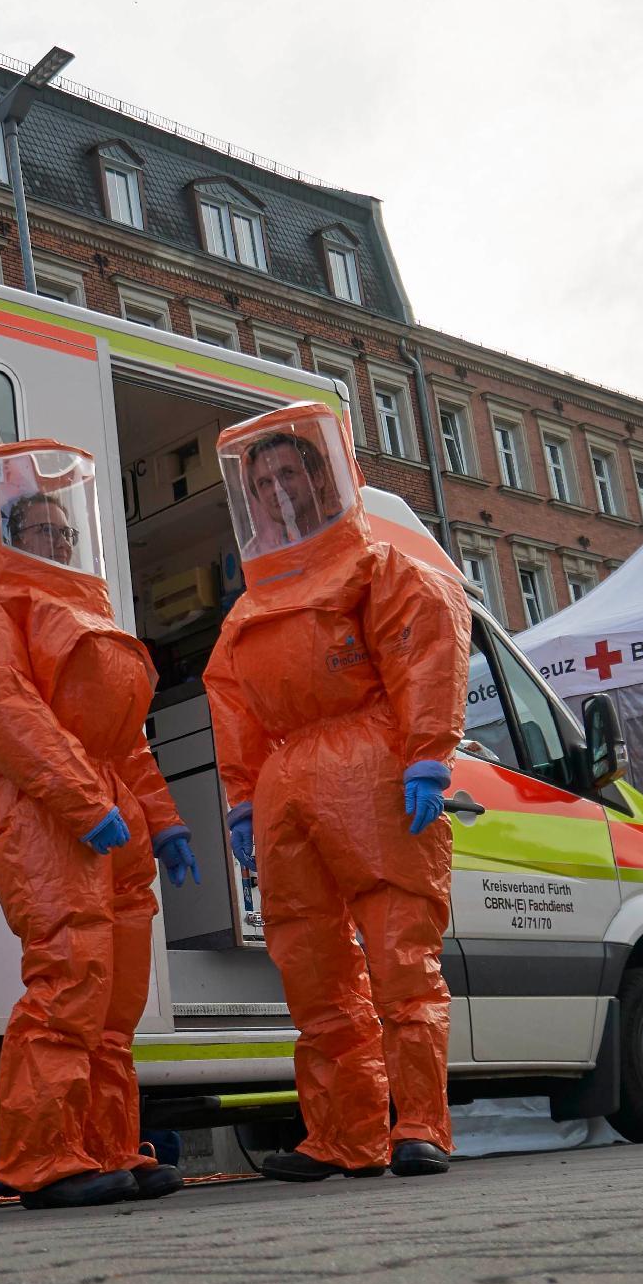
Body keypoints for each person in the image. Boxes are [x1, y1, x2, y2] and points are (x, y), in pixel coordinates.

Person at [0, 441, 202, 1210]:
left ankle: (105, 1148)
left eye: (65, 529)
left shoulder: (79, 613)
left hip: (105, 817)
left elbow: (123, 739)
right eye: (41, 529)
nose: (59, 540)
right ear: (2, 535)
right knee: (68, 981)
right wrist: (86, 803)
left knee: (113, 1003)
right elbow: (14, 723)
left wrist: (161, 823)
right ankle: (42, 1157)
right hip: (43, 817)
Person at [204, 402, 469, 1181]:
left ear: (324, 475)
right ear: (247, 499)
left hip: (373, 765)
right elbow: (233, 705)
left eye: (290, 471)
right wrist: (245, 799)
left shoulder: (380, 567)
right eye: (263, 481)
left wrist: (426, 756)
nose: (277, 491)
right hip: (290, 786)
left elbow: (425, 648)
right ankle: (344, 1135)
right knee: (311, 966)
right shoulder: (249, 607)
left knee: (398, 957)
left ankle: (419, 1123)